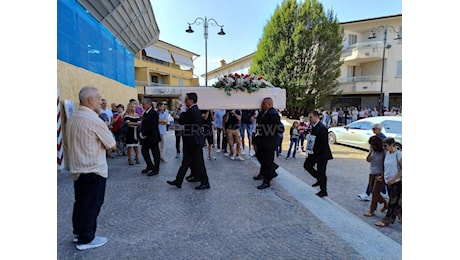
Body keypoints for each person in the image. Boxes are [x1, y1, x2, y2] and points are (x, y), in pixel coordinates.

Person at [66, 86, 117, 250]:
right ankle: (86, 238)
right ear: (90, 100)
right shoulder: (94, 120)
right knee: (91, 204)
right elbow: (112, 144)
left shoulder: (73, 117)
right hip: (93, 168)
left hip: (78, 168)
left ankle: (79, 233)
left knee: (80, 202)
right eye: (99, 97)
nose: (101, 101)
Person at [167, 92, 210, 190]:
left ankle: (205, 182)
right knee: (186, 162)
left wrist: (177, 111)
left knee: (199, 162)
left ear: (191, 100)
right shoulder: (192, 110)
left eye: (186, 99)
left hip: (195, 141)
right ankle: (178, 181)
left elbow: (181, 120)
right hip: (192, 141)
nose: (185, 101)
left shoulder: (192, 110)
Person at [253, 97, 284, 189]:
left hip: (269, 141)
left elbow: (279, 128)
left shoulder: (273, 114)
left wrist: (268, 133)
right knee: (260, 156)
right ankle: (264, 173)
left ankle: (267, 181)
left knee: (267, 161)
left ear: (269, 104)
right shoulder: (264, 112)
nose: (262, 105)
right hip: (262, 140)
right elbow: (259, 120)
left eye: (263, 104)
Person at [303, 110, 333, 197]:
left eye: (311, 117)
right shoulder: (313, 126)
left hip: (322, 153)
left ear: (316, 117)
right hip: (313, 152)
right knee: (307, 165)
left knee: (321, 172)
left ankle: (323, 191)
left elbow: (324, 143)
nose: (309, 119)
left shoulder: (322, 128)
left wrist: (314, 151)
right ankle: (318, 179)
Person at [375, 137, 402, 227]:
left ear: (392, 145)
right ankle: (401, 215)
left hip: (396, 182)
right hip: (388, 181)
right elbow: (386, 167)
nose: (384, 147)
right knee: (397, 201)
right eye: (383, 146)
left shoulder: (398, 154)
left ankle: (387, 220)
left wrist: (393, 179)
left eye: (386, 145)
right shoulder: (387, 154)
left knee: (392, 202)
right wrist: (382, 176)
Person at [358, 123, 388, 201]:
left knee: (374, 181)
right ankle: (383, 192)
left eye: (374, 129)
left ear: (379, 129)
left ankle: (368, 194)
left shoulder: (382, 139)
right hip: (376, 163)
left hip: (379, 164)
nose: (373, 131)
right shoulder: (377, 138)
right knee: (378, 181)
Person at [363, 136, 388, 217]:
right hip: (372, 172)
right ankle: (385, 203)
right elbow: (368, 160)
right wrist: (370, 152)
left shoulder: (384, 151)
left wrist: (382, 175)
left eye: (373, 145)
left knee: (375, 192)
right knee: (372, 190)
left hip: (380, 173)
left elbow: (386, 164)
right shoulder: (373, 150)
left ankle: (372, 210)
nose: (372, 146)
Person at [139, 98, 161, 176]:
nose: (143, 105)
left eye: (144, 104)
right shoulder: (146, 113)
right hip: (146, 137)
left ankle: (156, 169)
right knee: (144, 151)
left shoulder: (154, 113)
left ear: (148, 104)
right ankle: (149, 166)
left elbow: (152, 125)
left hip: (152, 137)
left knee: (155, 153)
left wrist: (144, 133)